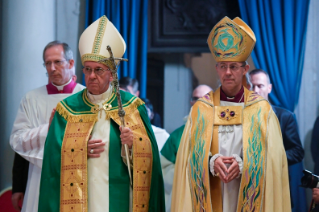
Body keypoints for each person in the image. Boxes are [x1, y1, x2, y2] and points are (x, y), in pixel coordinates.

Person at [38, 15, 165, 212]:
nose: (91, 76)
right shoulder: (67, 109)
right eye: (87, 70)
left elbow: (152, 164)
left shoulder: (132, 107)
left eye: (98, 70)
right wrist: (77, 150)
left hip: (122, 197)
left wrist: (134, 144)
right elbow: (51, 161)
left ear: (112, 73)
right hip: (81, 201)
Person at [171, 16, 290, 212]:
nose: (228, 72)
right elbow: (187, 157)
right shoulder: (201, 108)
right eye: (223, 66)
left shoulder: (261, 109)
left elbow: (275, 161)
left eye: (234, 66)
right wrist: (210, 161)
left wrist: (244, 164)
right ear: (217, 69)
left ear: (245, 69)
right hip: (211, 192)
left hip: (248, 196)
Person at [9, 41, 85, 212]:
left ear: (71, 63)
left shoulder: (86, 98)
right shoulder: (31, 98)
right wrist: (48, 129)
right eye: (48, 63)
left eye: (57, 62)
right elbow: (17, 140)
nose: (51, 68)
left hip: (78, 178)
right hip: (38, 178)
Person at [249, 68, 304, 210]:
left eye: (260, 86)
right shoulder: (240, 116)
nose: (255, 90)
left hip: (276, 184)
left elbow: (297, 152)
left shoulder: (285, 117)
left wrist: (270, 158)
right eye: (251, 86)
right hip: (247, 186)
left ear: (269, 88)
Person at [161, 84, 212, 212]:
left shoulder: (224, 133)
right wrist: (187, 172)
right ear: (191, 102)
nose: (200, 102)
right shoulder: (178, 135)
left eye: (205, 98)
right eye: (196, 98)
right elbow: (162, 168)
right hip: (183, 201)